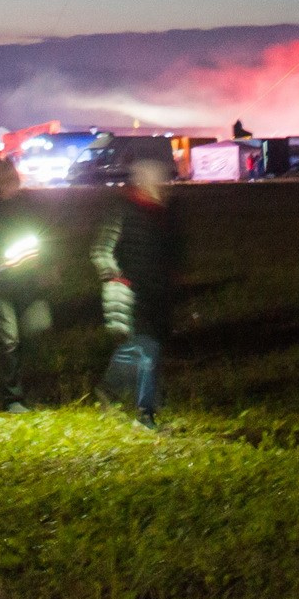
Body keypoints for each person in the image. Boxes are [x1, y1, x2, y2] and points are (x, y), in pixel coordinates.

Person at [91, 158, 182, 428]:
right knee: (147, 350)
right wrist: (115, 277)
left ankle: (109, 390)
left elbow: (171, 253)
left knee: (140, 348)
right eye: (155, 180)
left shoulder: (163, 214)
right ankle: (145, 414)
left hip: (157, 293)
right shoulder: (123, 211)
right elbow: (101, 249)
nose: (160, 185)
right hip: (131, 293)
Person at [0, 157, 53, 410]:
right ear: (0, 182)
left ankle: (33, 390)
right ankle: (12, 398)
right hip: (1, 284)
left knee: (36, 330)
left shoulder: (28, 204)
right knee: (10, 340)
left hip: (28, 281)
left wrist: (46, 266)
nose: (13, 186)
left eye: (14, 181)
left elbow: (43, 236)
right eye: (8, 182)